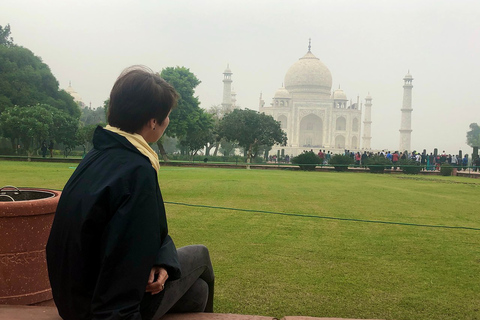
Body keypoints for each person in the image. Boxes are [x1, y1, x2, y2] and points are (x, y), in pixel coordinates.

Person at [46, 66, 214, 320]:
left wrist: (163, 259)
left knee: (197, 292)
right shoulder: (137, 171)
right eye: (167, 116)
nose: (168, 122)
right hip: (102, 309)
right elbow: (124, 258)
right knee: (200, 255)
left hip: (72, 299)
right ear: (153, 122)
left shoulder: (98, 155)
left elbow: (135, 233)